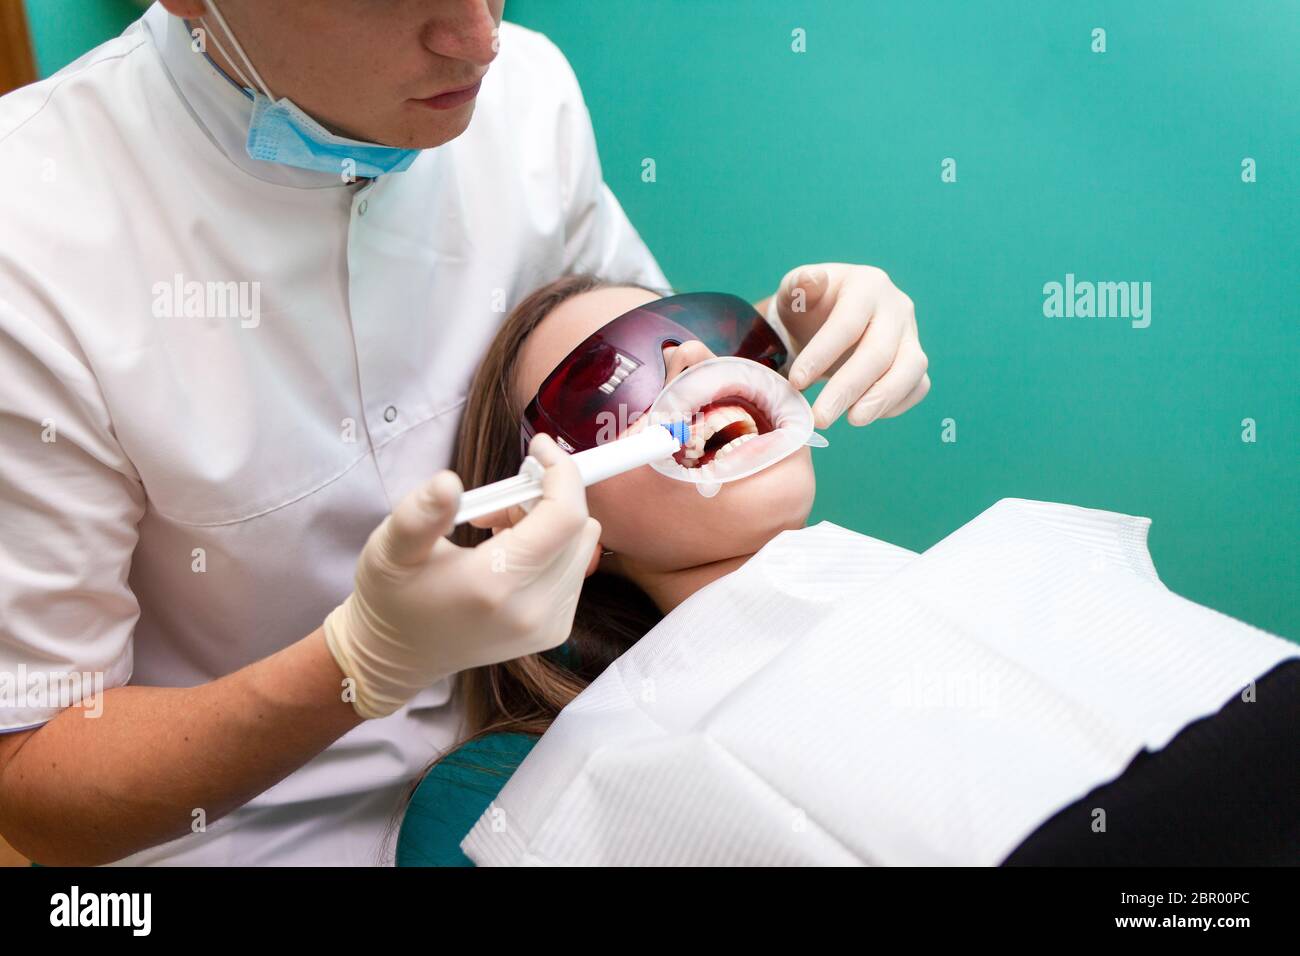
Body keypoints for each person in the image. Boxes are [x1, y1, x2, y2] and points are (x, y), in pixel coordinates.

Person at [0, 2, 928, 865]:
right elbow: (33, 776)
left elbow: (635, 379)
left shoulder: (526, 96)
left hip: (547, 749)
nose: (480, 39)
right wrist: (356, 665)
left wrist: (775, 332)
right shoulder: (32, 234)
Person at [396, 274, 1298, 867]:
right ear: (545, 505)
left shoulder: (990, 582)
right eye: (607, 383)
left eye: (720, 332)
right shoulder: (494, 797)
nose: (692, 361)